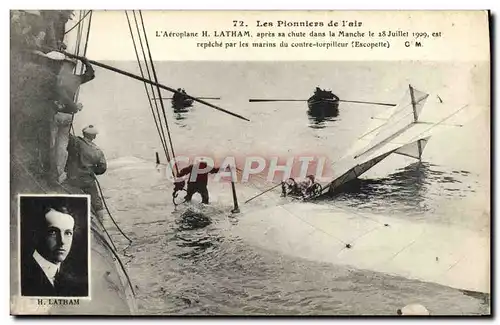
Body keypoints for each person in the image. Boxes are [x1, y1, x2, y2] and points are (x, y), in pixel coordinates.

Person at [21, 204, 87, 297]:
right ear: (37, 235)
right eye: (53, 232)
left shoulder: (73, 282)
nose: (62, 241)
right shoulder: (21, 275)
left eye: (68, 233)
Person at [51, 55, 95, 183]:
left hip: (56, 113)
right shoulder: (75, 79)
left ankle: (49, 172)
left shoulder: (56, 78)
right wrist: (85, 61)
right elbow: (90, 74)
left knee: (51, 144)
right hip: (68, 115)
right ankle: (59, 174)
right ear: (73, 67)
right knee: (62, 146)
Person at [65, 125, 107, 222]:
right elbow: (102, 168)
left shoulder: (75, 142)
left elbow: (66, 135)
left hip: (73, 179)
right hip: (88, 180)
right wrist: (92, 170)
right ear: (94, 136)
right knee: (97, 202)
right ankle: (102, 223)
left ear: (83, 133)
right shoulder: (97, 151)